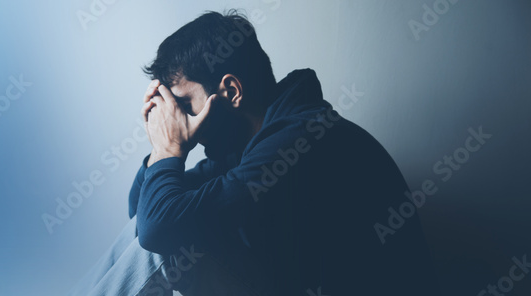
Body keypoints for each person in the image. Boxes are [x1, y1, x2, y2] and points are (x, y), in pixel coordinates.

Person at [69, 10, 438, 296]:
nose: (178, 119)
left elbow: (159, 232)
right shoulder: (243, 149)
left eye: (184, 104)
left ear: (230, 91)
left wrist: (170, 149)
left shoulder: (302, 142)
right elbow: (141, 216)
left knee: (171, 244)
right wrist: (159, 150)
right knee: (159, 226)